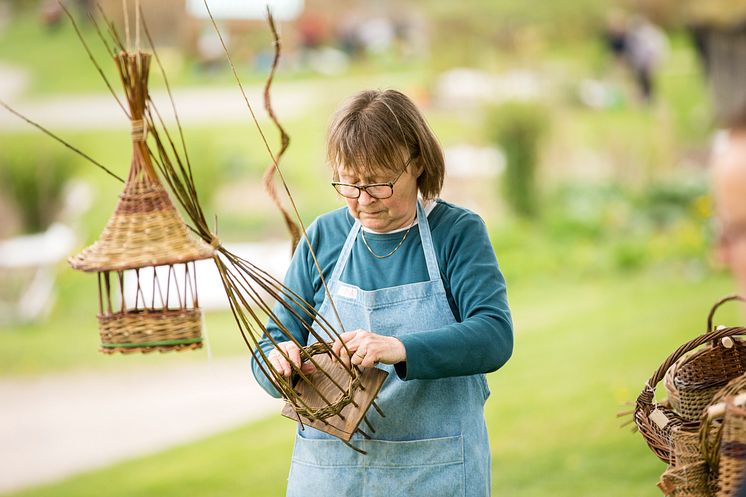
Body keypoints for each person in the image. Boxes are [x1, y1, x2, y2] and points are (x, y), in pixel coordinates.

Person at [251, 89, 513, 497]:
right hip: (329, 475)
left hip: (435, 472)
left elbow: (494, 336)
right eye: (350, 183)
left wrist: (398, 347)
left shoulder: (456, 233)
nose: (363, 200)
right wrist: (276, 360)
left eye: (378, 183)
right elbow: (270, 345)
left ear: (418, 163)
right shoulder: (324, 237)